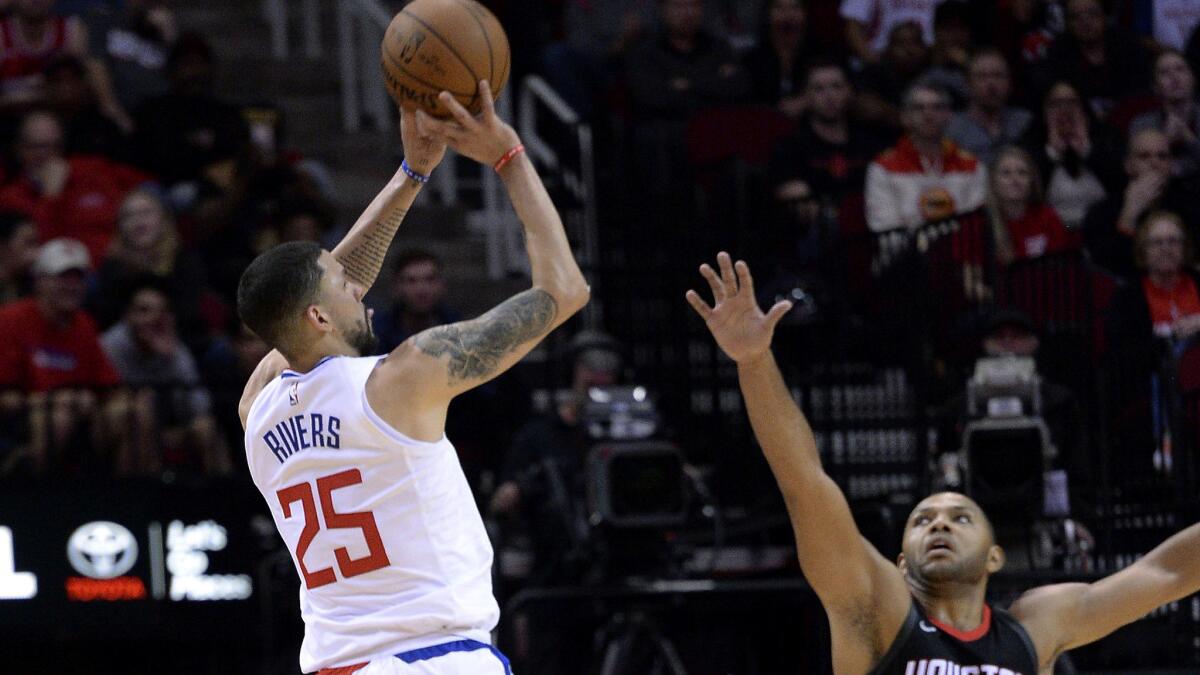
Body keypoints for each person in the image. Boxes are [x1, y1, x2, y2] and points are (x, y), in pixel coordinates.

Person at [684, 251, 1200, 675]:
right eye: (923, 519)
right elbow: (803, 483)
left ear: (995, 557)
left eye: (960, 517)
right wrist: (753, 362)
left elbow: (1167, 571)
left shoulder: (1036, 625)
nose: (940, 525)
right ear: (902, 561)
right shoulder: (877, 613)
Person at [236, 83, 589, 675]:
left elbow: (312, 294)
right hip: (434, 659)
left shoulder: (258, 409)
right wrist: (508, 155)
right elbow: (566, 291)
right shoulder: (401, 379)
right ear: (318, 317)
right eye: (343, 285)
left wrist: (412, 173)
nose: (359, 285)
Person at [865, 83, 987, 233]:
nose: (928, 114)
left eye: (937, 107)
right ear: (905, 117)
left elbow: (975, 226)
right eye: (919, 108)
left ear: (949, 115)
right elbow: (885, 229)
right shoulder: (882, 167)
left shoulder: (972, 165)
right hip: (907, 256)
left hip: (959, 254)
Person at [1082, 127, 1200, 279]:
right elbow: (1106, 269)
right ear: (1128, 165)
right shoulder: (1101, 212)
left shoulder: (1190, 203)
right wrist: (1129, 215)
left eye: (1162, 156)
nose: (1155, 163)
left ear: (1171, 165)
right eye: (1144, 156)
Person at [987, 145, 1080, 266]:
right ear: (993, 182)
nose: (1015, 180)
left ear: (1032, 180)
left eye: (1022, 173)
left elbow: (1062, 266)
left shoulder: (1048, 216)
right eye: (1006, 173)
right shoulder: (981, 223)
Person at [946, 49, 1033, 166]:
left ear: (1009, 82)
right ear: (967, 84)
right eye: (982, 76)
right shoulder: (951, 128)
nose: (991, 84)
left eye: (998, 75)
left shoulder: (1025, 123)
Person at [370, 248, 461, 353]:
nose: (422, 289)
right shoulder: (378, 334)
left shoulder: (457, 329)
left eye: (430, 279)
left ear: (442, 284)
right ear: (396, 287)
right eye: (411, 281)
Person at [1129, 49, 1200, 180]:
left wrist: (1188, 138)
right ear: (1155, 87)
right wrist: (1165, 141)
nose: (1174, 77)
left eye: (1180, 69)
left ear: (1193, 78)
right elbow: (1140, 172)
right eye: (1164, 73)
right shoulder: (1141, 125)